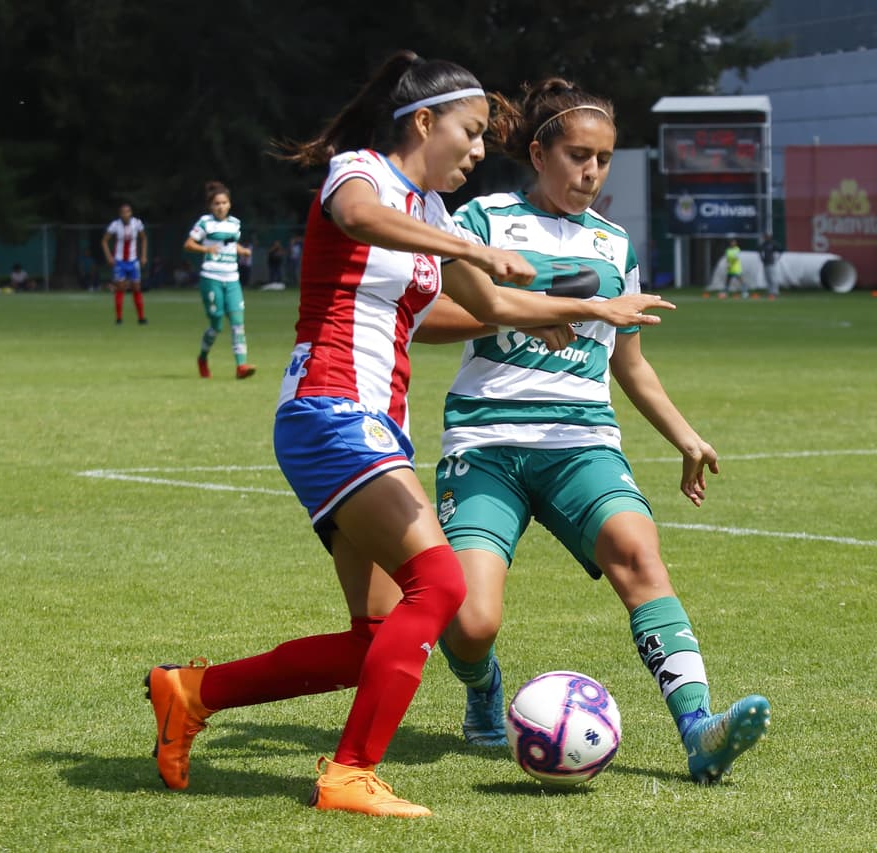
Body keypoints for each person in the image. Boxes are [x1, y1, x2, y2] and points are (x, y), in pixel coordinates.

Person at [142, 50, 673, 819]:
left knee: (380, 635)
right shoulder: (361, 173)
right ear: (424, 122)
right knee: (445, 585)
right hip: (332, 411)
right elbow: (359, 219)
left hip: (371, 424)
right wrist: (470, 246)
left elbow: (490, 306)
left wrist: (588, 311)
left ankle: (192, 692)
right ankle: (351, 771)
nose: (479, 148)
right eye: (470, 131)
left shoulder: (430, 216)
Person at [414, 77, 770, 787]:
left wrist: (685, 435)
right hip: (487, 444)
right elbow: (425, 320)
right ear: (538, 151)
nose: (591, 173)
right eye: (578, 155)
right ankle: (483, 685)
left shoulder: (613, 244)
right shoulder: (481, 221)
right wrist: (530, 313)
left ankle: (699, 729)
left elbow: (630, 363)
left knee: (639, 552)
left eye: (603, 159)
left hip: (581, 441)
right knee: (472, 619)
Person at [184, 181, 256, 380]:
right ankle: (202, 357)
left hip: (232, 278)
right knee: (216, 324)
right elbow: (189, 244)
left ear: (229, 204)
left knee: (237, 322)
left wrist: (242, 250)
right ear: (211, 206)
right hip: (211, 277)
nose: (221, 206)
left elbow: (231, 245)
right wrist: (206, 249)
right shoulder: (205, 223)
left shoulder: (235, 223)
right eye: (217, 203)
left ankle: (241, 366)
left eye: (224, 203)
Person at [101, 202, 148, 324]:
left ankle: (141, 317)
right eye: (123, 212)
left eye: (128, 212)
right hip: (119, 261)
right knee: (120, 288)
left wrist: (143, 256)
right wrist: (109, 257)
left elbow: (143, 238)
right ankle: (119, 318)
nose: (126, 214)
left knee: (136, 288)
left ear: (131, 213)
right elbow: (104, 241)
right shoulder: (115, 225)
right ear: (120, 214)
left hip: (133, 261)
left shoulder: (137, 223)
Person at [758, 232, 779, 300]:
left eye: (767, 236)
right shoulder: (764, 244)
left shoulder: (773, 243)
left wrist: (776, 258)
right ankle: (770, 292)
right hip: (765, 263)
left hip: (771, 263)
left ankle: (775, 292)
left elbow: (779, 249)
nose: (766, 238)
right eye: (765, 237)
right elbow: (759, 251)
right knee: (768, 279)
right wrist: (762, 259)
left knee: (773, 278)